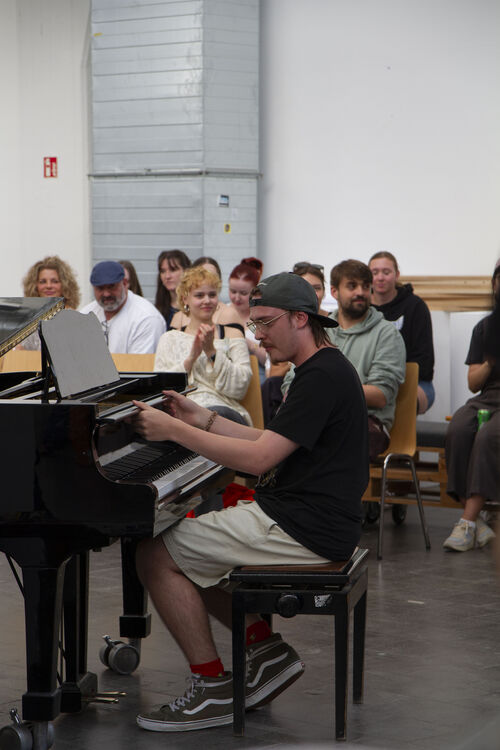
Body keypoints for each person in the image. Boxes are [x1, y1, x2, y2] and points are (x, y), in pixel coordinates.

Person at [130, 271, 368, 732]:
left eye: (264, 322)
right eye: (253, 323)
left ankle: (213, 688)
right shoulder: (324, 367)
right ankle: (265, 652)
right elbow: (273, 439)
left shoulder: (321, 377)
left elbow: (260, 460)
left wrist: (176, 430)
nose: (257, 334)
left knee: (156, 554)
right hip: (308, 519)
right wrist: (205, 420)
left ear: (301, 319)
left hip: (304, 527)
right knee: (192, 551)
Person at [443, 261, 500, 552]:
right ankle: (477, 520)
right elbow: (473, 383)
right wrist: (490, 359)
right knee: (459, 427)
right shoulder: (486, 328)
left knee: (489, 435)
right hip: (489, 394)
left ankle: (466, 522)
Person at [154, 266, 252, 425]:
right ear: (185, 299)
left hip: (224, 413)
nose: (207, 300)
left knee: (209, 417)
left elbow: (239, 388)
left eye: (212, 295)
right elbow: (161, 389)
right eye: (199, 295)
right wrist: (191, 358)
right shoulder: (169, 338)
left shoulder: (232, 335)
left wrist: (212, 352)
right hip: (182, 413)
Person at [369, 251, 435, 414]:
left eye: (386, 272)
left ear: (397, 274)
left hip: (415, 381)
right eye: (374, 272)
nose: (380, 278)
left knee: (395, 402)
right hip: (369, 380)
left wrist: (391, 377)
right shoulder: (362, 308)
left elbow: (425, 361)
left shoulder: (415, 306)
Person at [80, 260, 165, 353]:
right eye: (100, 288)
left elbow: (141, 365)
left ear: (124, 284)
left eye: (111, 287)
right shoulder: (85, 315)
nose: (106, 294)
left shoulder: (146, 318)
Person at [20, 255, 81, 350]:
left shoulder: (74, 319)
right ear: (35, 286)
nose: (48, 286)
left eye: (54, 281)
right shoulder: (28, 320)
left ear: (65, 285)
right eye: (43, 282)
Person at [226, 257, 268, 382]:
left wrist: (249, 345)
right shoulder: (221, 312)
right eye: (233, 291)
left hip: (257, 377)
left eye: (243, 293)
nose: (237, 298)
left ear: (254, 292)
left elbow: (271, 359)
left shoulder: (263, 316)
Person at [170, 256, 238, 329]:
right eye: (201, 275)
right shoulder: (178, 317)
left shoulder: (230, 314)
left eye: (212, 277)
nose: (207, 281)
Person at [155, 249, 191, 329]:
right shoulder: (158, 309)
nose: (167, 276)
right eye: (163, 271)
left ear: (186, 271)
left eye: (173, 270)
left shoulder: (195, 307)